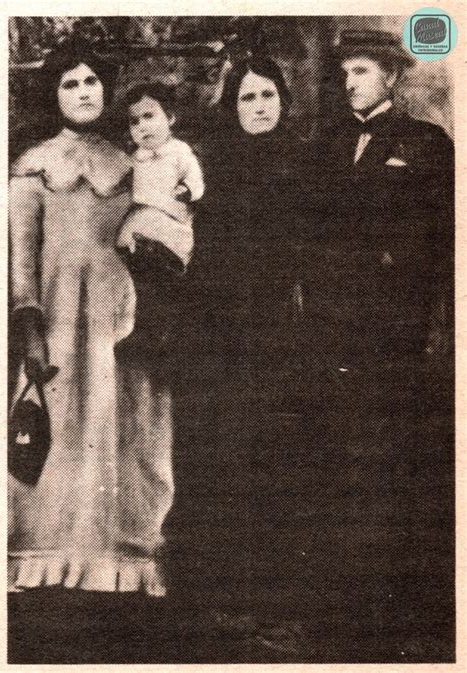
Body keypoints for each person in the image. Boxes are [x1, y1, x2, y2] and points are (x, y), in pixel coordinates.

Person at [8, 39, 173, 595]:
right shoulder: (33, 167)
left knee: (125, 429)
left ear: (107, 89)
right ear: (55, 95)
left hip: (120, 322)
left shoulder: (135, 164)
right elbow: (21, 259)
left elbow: (165, 235)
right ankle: (45, 559)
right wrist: (29, 328)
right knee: (59, 432)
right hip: (56, 319)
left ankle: (113, 563)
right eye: (70, 84)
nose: (83, 93)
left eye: (92, 83)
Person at [301, 30, 454, 596]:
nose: (350, 83)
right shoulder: (329, 142)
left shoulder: (425, 141)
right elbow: (310, 227)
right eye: (345, 75)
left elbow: (435, 238)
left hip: (392, 325)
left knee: (387, 449)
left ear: (390, 76)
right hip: (330, 321)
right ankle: (338, 590)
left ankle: (388, 590)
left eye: (361, 72)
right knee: (335, 451)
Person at [176, 56, 307, 611]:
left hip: (282, 329)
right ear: (232, 107)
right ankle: (217, 589)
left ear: (283, 101)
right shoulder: (212, 171)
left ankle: (273, 591)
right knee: (221, 452)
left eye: (268, 96)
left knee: (277, 454)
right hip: (221, 330)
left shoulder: (303, 167)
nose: (259, 108)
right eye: (248, 98)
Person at [114, 82, 204, 366]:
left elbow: (196, 180)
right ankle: (144, 331)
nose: (142, 126)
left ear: (170, 118)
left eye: (149, 116)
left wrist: (187, 190)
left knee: (165, 283)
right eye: (134, 121)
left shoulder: (179, 152)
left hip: (169, 225)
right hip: (142, 223)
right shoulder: (134, 158)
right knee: (142, 285)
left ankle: (165, 333)